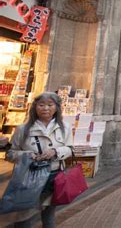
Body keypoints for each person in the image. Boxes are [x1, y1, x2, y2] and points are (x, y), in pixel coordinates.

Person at [6, 92, 73, 228]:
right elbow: (10, 154)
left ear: (56, 107)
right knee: (23, 218)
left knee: (49, 215)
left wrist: (56, 151)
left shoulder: (64, 127)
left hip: (53, 177)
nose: (46, 108)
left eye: (50, 105)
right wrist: (28, 155)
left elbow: (70, 149)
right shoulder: (23, 129)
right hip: (28, 178)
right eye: (41, 105)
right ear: (35, 107)